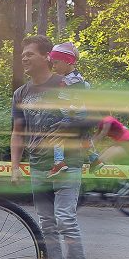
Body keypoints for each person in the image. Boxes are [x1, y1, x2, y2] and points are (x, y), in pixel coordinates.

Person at [10, 35, 87, 259]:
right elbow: (17, 133)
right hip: (38, 167)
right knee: (47, 225)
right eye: (23, 54)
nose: (24, 58)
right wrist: (15, 166)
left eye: (30, 53)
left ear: (47, 56)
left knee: (66, 219)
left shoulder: (67, 84)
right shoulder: (21, 93)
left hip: (67, 164)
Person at [46, 42, 91, 178]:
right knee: (82, 137)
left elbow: (79, 96)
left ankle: (59, 162)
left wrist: (71, 112)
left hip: (73, 113)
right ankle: (93, 158)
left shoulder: (75, 79)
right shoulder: (70, 78)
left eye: (56, 63)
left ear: (67, 61)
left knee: (58, 137)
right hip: (74, 112)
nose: (53, 66)